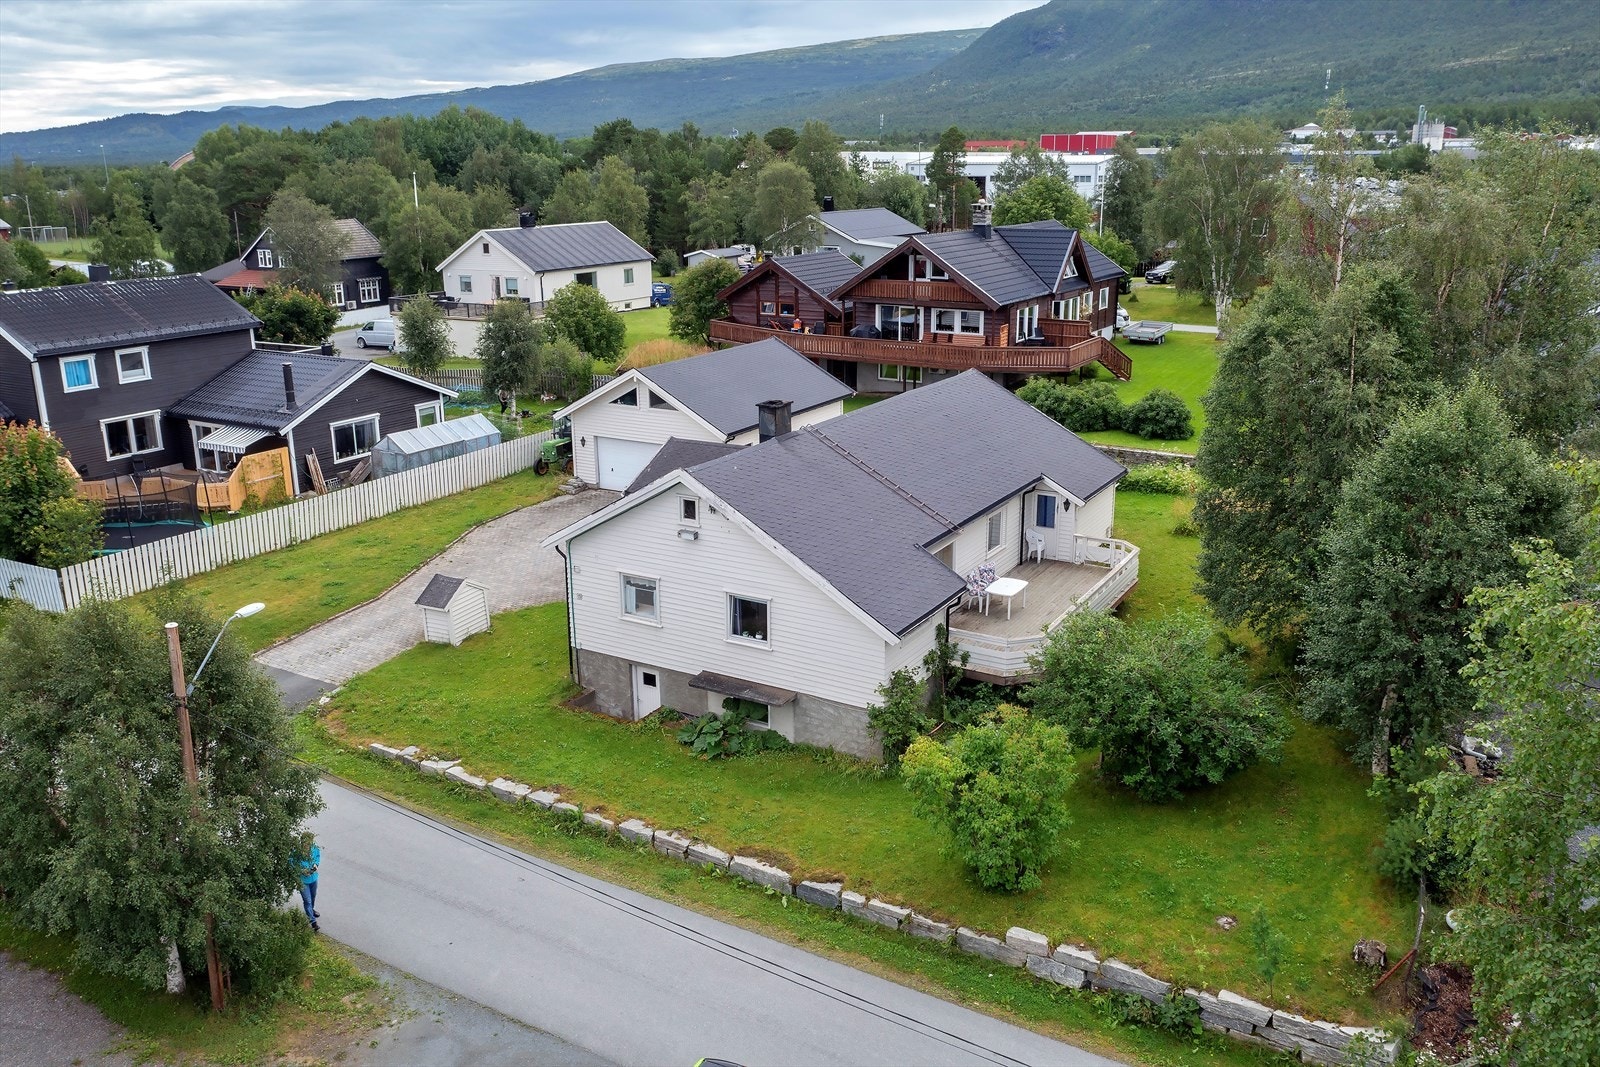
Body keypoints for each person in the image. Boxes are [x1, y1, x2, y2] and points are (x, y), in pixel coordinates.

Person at [295, 832, 321, 932]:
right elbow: (291, 862)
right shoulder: (297, 852)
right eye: (306, 842)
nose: (308, 844)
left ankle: (311, 910)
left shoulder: (314, 848)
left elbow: (318, 856)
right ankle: (313, 922)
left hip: (313, 878)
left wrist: (316, 865)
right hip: (302, 880)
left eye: (309, 842)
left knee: (313, 896)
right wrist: (301, 870)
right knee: (307, 900)